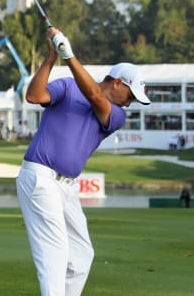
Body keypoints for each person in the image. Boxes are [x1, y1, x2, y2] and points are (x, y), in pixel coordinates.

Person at [17, 26, 150, 296]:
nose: (131, 103)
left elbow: (94, 96)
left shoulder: (115, 114)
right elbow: (34, 96)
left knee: (81, 254)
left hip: (66, 188)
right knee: (55, 253)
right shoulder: (67, 86)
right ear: (117, 83)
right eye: (131, 95)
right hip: (41, 179)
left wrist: (70, 56)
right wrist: (52, 56)